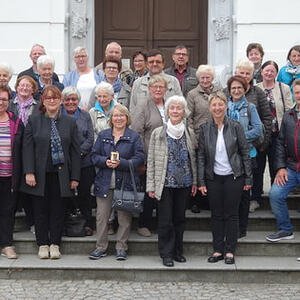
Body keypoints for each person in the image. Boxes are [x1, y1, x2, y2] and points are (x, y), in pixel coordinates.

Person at [21, 85, 81, 259]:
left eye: (55, 97)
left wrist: (75, 176)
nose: (52, 101)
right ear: (43, 101)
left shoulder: (70, 122)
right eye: (48, 98)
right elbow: (27, 148)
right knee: (39, 210)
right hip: (39, 174)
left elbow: (75, 152)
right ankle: (42, 244)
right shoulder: (34, 120)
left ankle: (55, 243)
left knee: (58, 209)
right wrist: (29, 172)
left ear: (61, 100)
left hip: (61, 174)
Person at [198, 91, 252, 264]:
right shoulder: (204, 129)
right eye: (214, 104)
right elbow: (201, 157)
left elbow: (245, 153)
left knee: (231, 214)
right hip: (213, 177)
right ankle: (217, 249)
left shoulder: (236, 126)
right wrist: (200, 181)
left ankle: (230, 250)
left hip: (234, 176)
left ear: (226, 106)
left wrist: (248, 179)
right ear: (210, 107)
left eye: (220, 104)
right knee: (216, 214)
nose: (217, 107)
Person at [147, 95, 197, 267]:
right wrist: (151, 186)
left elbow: (193, 159)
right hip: (164, 183)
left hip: (184, 183)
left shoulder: (189, 132)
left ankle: (178, 251)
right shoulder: (158, 133)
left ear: (184, 112)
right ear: (167, 111)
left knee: (180, 219)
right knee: (165, 220)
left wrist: (195, 182)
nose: (175, 111)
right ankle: (166, 253)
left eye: (179, 108)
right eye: (172, 108)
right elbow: (151, 161)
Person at [89, 104, 144, 261]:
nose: (118, 118)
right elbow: (94, 156)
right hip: (104, 181)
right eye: (115, 115)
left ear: (127, 118)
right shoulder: (103, 135)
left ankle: (121, 248)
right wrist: (105, 161)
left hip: (125, 182)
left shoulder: (133, 136)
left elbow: (139, 158)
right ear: (111, 119)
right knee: (101, 217)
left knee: (124, 218)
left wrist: (123, 163)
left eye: (122, 115)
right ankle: (101, 247)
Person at [250, 61, 293, 212]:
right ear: (261, 72)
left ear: (276, 73)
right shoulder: (255, 89)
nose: (269, 73)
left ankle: (277, 200)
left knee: (277, 168)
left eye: (272, 71)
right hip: (260, 136)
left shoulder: (283, 88)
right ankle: (255, 198)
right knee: (257, 168)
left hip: (278, 135)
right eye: (266, 71)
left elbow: (289, 111)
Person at [131, 74, 168, 237]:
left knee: (165, 193)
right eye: (155, 87)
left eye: (161, 87)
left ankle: (163, 224)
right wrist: (141, 159)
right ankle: (144, 224)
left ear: (166, 89)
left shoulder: (169, 104)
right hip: (149, 156)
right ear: (149, 89)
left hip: (167, 157)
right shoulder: (143, 105)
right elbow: (136, 132)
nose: (158, 90)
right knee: (149, 192)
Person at [227, 76, 263, 238]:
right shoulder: (224, 106)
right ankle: (229, 226)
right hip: (227, 156)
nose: (236, 91)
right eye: (233, 88)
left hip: (247, 155)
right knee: (229, 194)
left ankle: (242, 228)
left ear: (245, 89)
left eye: (239, 88)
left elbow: (257, 130)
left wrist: (238, 137)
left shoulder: (250, 107)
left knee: (243, 194)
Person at [266, 79, 300, 243]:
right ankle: (286, 229)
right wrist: (280, 167)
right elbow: (280, 142)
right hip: (292, 168)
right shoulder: (289, 115)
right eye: (297, 92)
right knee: (275, 194)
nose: (299, 96)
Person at [186, 64, 221, 213]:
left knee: (213, 168)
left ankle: (211, 200)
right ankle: (196, 201)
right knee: (198, 169)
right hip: (198, 137)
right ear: (198, 78)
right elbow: (188, 118)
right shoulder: (192, 94)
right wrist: (193, 139)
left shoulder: (219, 93)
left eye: (208, 77)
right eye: (202, 77)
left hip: (216, 137)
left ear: (212, 78)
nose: (205, 80)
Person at [8, 75, 39, 233]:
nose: (25, 88)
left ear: (33, 89)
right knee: (12, 189)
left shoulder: (38, 106)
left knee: (29, 189)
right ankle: (9, 223)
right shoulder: (8, 105)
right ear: (16, 87)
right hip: (11, 152)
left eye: (28, 86)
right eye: (22, 85)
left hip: (32, 152)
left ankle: (33, 222)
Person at [62, 86, 94, 236]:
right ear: (63, 101)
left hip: (84, 161)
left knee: (84, 194)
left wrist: (78, 153)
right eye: (67, 99)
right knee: (65, 194)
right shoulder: (58, 115)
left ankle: (87, 223)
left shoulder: (85, 115)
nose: (70, 102)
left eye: (73, 99)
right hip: (63, 163)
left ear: (78, 100)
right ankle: (66, 223)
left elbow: (90, 138)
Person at [224, 59, 272, 152]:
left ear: (252, 75)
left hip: (254, 146)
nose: (244, 76)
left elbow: (267, 118)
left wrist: (263, 143)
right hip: (229, 147)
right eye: (242, 73)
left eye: (247, 73)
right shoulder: (226, 92)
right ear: (236, 73)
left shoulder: (258, 92)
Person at [0, 86, 23, 259]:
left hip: (10, 176)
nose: (1, 102)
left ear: (9, 101)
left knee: (8, 211)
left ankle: (7, 244)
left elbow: (22, 148)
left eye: (4, 99)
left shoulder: (15, 121)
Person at [129, 49, 182, 114]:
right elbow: (133, 109)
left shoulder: (173, 81)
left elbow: (181, 106)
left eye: (158, 62)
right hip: (145, 123)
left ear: (163, 64)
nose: (154, 64)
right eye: (151, 62)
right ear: (147, 64)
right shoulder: (138, 83)